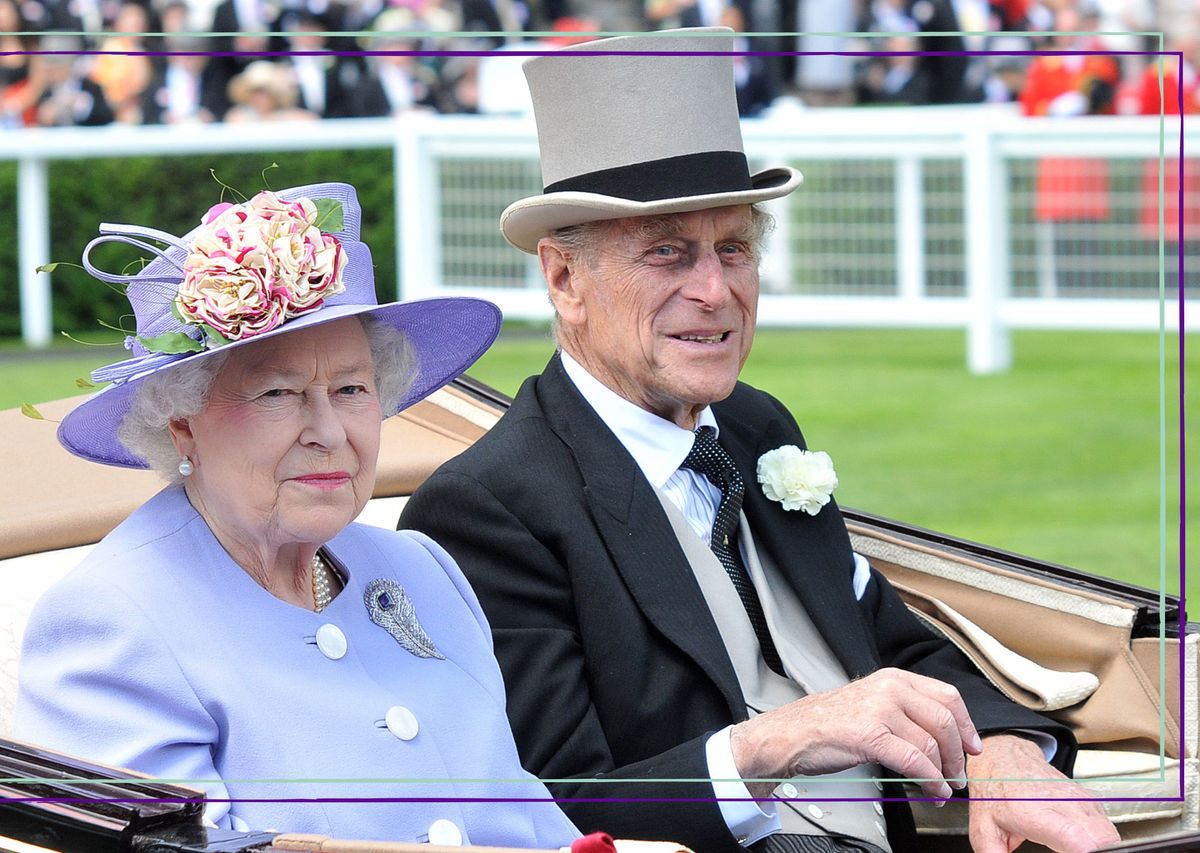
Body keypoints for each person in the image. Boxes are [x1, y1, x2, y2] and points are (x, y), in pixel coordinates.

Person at [400, 30, 1122, 853]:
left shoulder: (756, 427)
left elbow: (887, 638)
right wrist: (772, 743)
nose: (716, 291)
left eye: (734, 248)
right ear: (564, 279)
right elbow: (554, 807)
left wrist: (1005, 751)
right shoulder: (490, 506)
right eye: (668, 252)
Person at [14, 181, 580, 848]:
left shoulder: (422, 568)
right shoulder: (110, 621)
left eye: (350, 388)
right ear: (182, 423)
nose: (329, 430)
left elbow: (520, 809)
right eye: (278, 392)